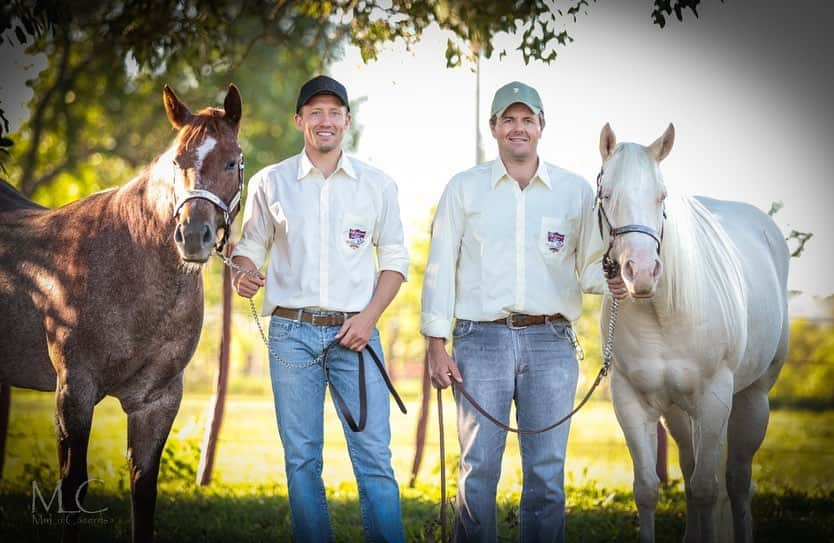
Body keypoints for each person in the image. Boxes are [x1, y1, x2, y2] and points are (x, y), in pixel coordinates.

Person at [420, 81, 627, 543]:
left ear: (541, 127)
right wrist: (436, 343)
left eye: (527, 119)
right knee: (478, 469)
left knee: (548, 476)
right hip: (479, 340)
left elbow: (591, 268)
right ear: (493, 127)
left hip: (550, 343)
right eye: (508, 119)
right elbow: (439, 269)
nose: (518, 128)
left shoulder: (574, 192)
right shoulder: (463, 189)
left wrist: (619, 281)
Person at [231, 75, 408, 543]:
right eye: (315, 112)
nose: (325, 121)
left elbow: (394, 262)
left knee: (374, 457)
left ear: (347, 120)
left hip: (358, 334)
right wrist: (241, 273)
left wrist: (368, 319)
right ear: (299, 121)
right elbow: (247, 248)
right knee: (302, 458)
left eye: (334, 112)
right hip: (292, 333)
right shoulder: (271, 183)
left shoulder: (378, 185)